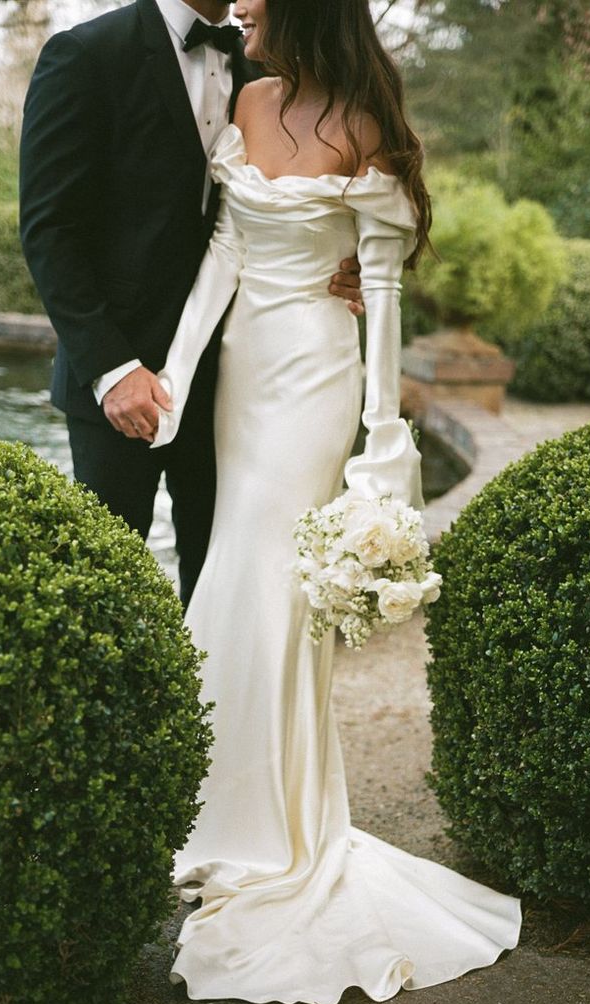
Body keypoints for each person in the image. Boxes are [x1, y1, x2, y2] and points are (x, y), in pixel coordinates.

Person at [150, 0, 522, 1004]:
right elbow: (222, 252)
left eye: (259, 0)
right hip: (239, 372)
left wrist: (382, 439)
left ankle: (267, 830)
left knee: (277, 582)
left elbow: (384, 295)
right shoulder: (249, 96)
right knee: (233, 562)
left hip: (315, 376)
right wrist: (176, 379)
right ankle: (204, 809)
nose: (241, 10)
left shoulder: (363, 121)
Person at [19, 0, 362, 607]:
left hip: (237, 376)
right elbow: (49, 231)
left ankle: (208, 705)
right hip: (122, 384)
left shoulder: (259, 66)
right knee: (106, 593)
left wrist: (345, 261)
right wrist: (113, 369)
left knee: (218, 585)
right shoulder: (87, 54)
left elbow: (286, 208)